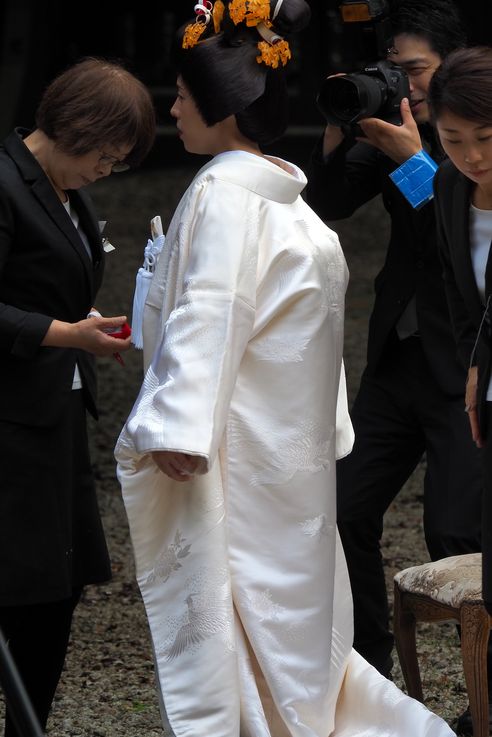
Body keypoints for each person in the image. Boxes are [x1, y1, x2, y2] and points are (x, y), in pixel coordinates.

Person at [115, 2, 455, 735]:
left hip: (294, 429)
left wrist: (179, 422)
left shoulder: (225, 195)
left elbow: (214, 309)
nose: (171, 106)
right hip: (303, 430)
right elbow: (321, 237)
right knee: (300, 587)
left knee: (257, 601)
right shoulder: (282, 199)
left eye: (180, 94)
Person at [306, 0, 484, 710]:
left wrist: (415, 159)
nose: (406, 87)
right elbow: (325, 201)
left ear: (456, 65)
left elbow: (454, 225)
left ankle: (483, 698)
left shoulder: (474, 138)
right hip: (398, 352)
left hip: (468, 362)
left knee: (457, 529)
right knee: (343, 505)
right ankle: (368, 664)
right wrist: (340, 121)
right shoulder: (393, 125)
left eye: (416, 71)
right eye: (395, 72)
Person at [0, 57, 155, 736]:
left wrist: (84, 324)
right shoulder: (6, 181)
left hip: (55, 411)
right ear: (72, 128)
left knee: (56, 587)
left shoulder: (65, 188)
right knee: (25, 583)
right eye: (105, 155)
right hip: (7, 418)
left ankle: (31, 721)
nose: (107, 170)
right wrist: (67, 332)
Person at [429, 38, 492, 683]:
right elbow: (458, 287)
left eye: (486, 137)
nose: (471, 156)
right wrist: (474, 371)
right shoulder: (449, 185)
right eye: (452, 139)